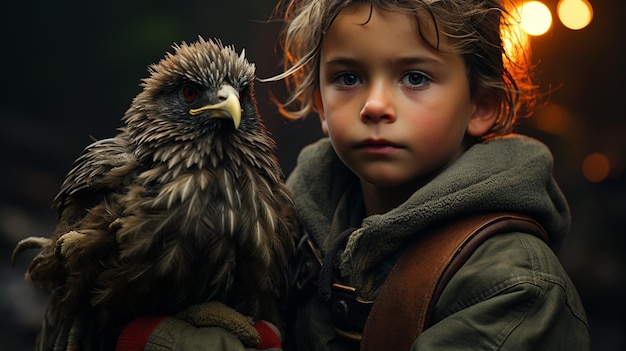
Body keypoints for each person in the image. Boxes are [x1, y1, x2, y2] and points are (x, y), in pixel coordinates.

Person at [116, 0, 591, 350]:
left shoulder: (516, 287)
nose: (375, 105)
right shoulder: (285, 231)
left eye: (415, 77)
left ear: (481, 106)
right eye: (348, 78)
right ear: (320, 106)